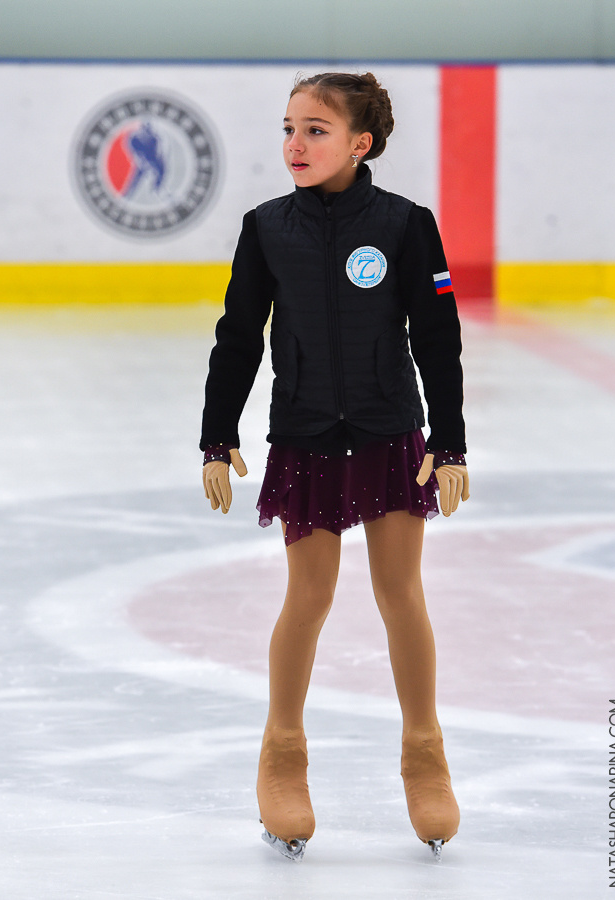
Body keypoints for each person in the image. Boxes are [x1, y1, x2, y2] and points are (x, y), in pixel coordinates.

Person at [200, 72, 469, 862]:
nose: (295, 143)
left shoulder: (405, 225)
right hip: (306, 434)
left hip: (389, 433)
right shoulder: (265, 228)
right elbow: (238, 334)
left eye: (315, 130)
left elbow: (437, 336)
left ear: (360, 143)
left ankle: (424, 751)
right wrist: (216, 435)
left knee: (399, 594)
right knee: (309, 596)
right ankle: (282, 752)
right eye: (289, 127)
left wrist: (448, 442)